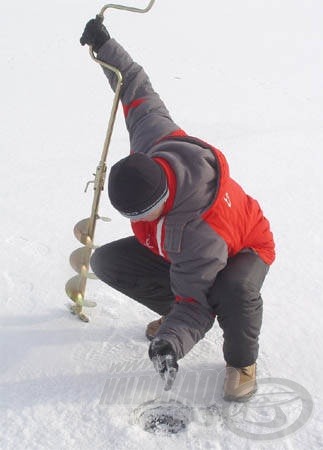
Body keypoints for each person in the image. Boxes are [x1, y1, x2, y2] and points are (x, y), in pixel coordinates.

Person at [80, 17, 275, 401]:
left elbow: (195, 303)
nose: (134, 223)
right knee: (108, 262)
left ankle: (242, 362)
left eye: (138, 216)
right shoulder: (153, 138)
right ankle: (175, 318)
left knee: (231, 292)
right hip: (177, 246)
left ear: (159, 204)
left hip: (243, 247)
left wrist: (172, 341)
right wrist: (104, 46)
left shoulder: (199, 233)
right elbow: (133, 84)